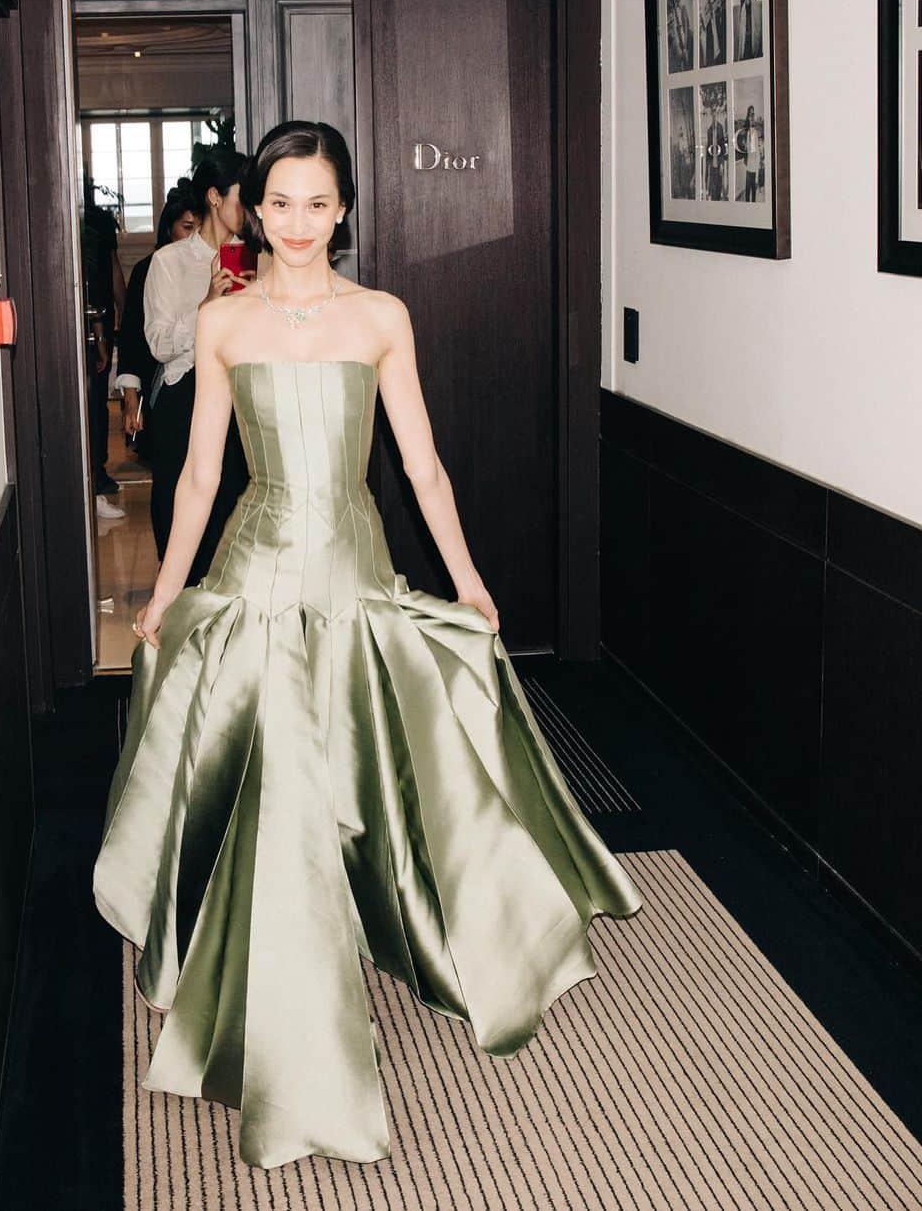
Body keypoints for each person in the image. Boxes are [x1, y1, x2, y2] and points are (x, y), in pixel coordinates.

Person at [93, 120, 644, 1170]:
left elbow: (422, 465)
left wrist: (470, 578)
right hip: (258, 565)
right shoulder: (222, 324)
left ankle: (395, 935)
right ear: (253, 209)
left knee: (367, 766)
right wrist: (165, 592)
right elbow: (203, 476)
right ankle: (279, 1010)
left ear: (344, 209)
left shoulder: (383, 316)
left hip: (353, 560)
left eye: (317, 203)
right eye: (279, 202)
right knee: (275, 780)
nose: (297, 223)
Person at [143, 146, 251, 583]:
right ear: (214, 197)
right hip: (183, 399)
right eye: (243, 197)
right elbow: (159, 344)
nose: (250, 209)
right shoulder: (168, 262)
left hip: (241, 398)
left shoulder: (258, 257)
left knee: (234, 512)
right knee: (184, 508)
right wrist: (207, 304)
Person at [114, 181, 200, 464]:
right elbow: (132, 337)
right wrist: (130, 399)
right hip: (161, 388)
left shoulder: (215, 265)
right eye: (187, 227)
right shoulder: (150, 267)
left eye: (199, 228)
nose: (194, 236)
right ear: (168, 228)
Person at [81, 175, 128, 518]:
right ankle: (94, 476)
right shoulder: (92, 224)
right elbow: (112, 272)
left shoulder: (94, 224)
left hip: (97, 320)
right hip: (92, 322)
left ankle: (95, 473)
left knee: (96, 403)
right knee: (94, 403)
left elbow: (112, 270)